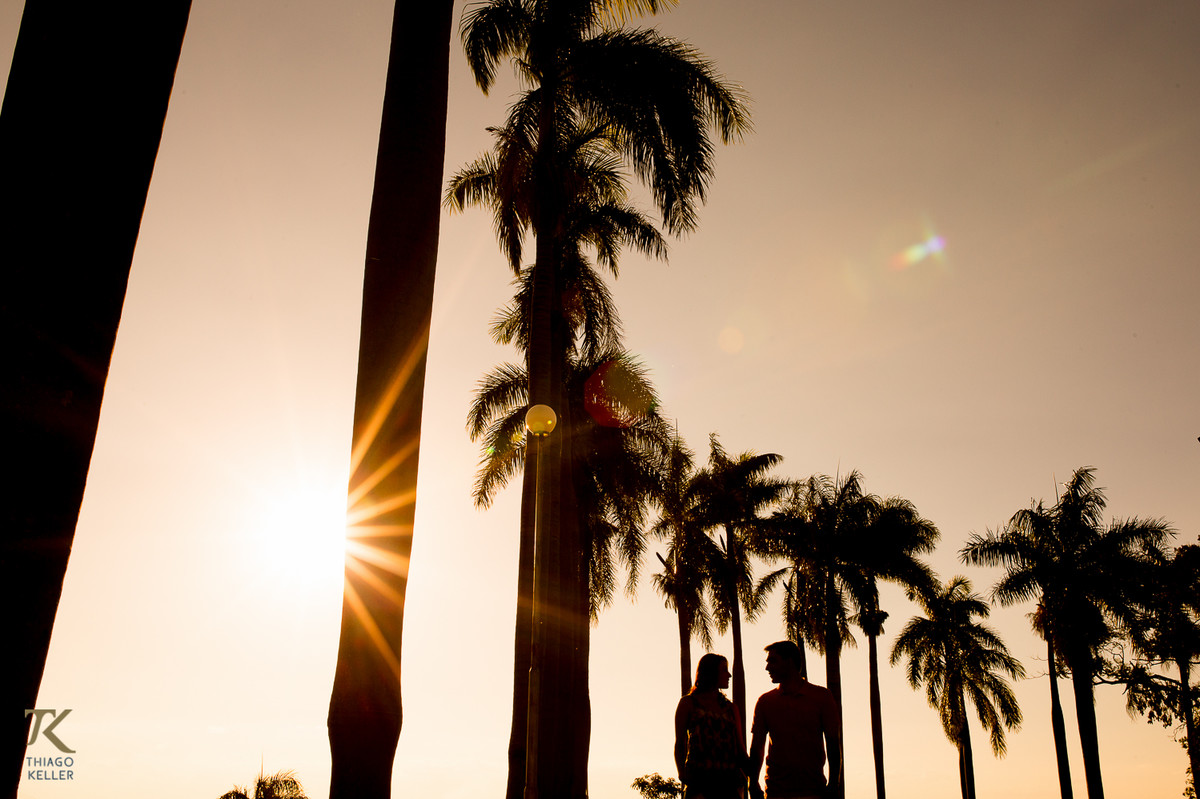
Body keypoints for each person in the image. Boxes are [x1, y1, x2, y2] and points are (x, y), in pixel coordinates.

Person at [748, 641, 841, 799]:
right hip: (776, 792)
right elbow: (757, 747)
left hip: (813, 791)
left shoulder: (821, 697)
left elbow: (832, 743)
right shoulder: (765, 702)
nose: (767, 668)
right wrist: (753, 783)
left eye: (773, 661)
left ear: (789, 661)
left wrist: (833, 784)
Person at [674, 653, 748, 799]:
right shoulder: (689, 703)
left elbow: (739, 748)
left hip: (729, 782)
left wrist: (751, 778)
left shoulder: (730, 708)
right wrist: (682, 773)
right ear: (711, 672)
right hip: (700, 781)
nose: (729, 675)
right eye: (724, 670)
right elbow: (680, 743)